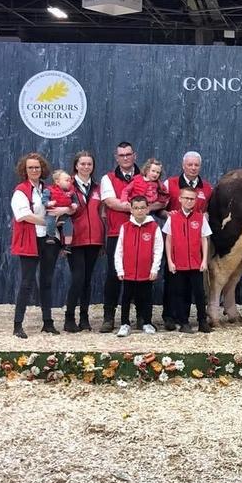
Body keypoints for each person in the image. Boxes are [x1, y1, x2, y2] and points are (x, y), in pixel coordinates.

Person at [10, 153, 73, 338]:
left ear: (42, 168)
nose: (34, 170)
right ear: (25, 170)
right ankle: (17, 325)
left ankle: (48, 322)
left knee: (46, 281)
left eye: (37, 167)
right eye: (30, 167)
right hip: (31, 239)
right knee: (27, 282)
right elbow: (23, 215)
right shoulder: (21, 190)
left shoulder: (48, 188)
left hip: (49, 240)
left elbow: (62, 207)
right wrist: (48, 222)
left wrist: (64, 213)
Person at [161, 151, 215, 331]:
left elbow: (207, 213)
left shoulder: (207, 188)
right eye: (189, 165)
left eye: (196, 165)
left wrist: (205, 216)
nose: (193, 168)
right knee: (172, 282)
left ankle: (192, 319)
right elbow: (159, 207)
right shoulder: (170, 183)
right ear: (183, 165)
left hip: (194, 245)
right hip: (175, 241)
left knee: (195, 288)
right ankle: (170, 316)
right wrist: (167, 215)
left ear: (200, 166)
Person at [99, 142, 140, 333]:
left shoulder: (146, 177)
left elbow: (156, 202)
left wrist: (142, 208)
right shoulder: (107, 178)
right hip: (117, 233)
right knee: (114, 276)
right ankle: (109, 317)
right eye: (121, 155)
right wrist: (138, 207)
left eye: (128, 154)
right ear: (116, 158)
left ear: (134, 156)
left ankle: (142, 317)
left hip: (141, 232)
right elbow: (110, 202)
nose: (125, 157)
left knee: (141, 275)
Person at [64, 151, 104, 333]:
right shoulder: (68, 186)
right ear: (76, 166)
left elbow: (101, 212)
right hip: (75, 239)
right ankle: (69, 317)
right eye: (83, 164)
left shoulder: (97, 188)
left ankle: (84, 318)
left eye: (89, 164)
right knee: (78, 278)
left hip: (94, 239)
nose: (86, 167)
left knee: (87, 280)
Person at [114, 195, 163, 337]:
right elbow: (119, 250)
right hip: (128, 272)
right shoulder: (125, 227)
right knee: (126, 298)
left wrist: (154, 269)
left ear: (147, 209)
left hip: (146, 272)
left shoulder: (154, 227)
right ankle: (124, 324)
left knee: (146, 297)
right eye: (136, 208)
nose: (139, 211)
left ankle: (147, 322)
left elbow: (158, 249)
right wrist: (120, 268)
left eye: (142, 208)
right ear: (131, 209)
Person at [42, 169, 79, 252]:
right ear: (57, 182)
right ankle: (50, 236)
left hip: (65, 215)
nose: (69, 182)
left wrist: (74, 205)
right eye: (67, 180)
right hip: (53, 212)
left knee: (69, 227)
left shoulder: (71, 192)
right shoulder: (49, 190)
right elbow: (44, 200)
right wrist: (48, 203)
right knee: (50, 222)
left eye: (70, 180)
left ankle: (67, 245)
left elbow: (75, 201)